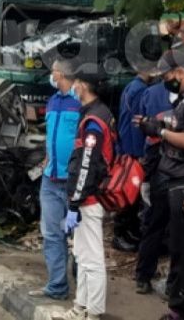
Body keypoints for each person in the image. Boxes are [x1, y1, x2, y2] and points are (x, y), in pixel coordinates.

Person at [136, 49, 184, 320]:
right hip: (176, 177)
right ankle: (180, 306)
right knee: (178, 246)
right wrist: (156, 124)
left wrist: (161, 132)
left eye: (167, 76)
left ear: (179, 71)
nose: (165, 81)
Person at [54, 70, 115, 320]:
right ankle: (80, 308)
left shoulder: (94, 121)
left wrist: (75, 203)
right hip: (84, 198)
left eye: (76, 83)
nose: (74, 87)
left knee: (92, 260)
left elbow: (87, 165)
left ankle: (94, 312)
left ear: (84, 86)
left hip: (89, 199)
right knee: (81, 255)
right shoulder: (93, 114)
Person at [29, 60, 81, 301]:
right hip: (50, 179)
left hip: (73, 181)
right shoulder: (52, 101)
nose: (51, 76)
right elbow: (52, 136)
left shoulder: (79, 101)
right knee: (52, 235)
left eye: (53, 72)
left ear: (60, 74)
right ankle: (57, 286)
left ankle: (85, 292)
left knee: (79, 240)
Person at [134, 69, 175, 294]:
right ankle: (173, 283)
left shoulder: (150, 94)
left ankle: (143, 276)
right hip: (172, 162)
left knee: (154, 221)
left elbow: (140, 125)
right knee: (171, 224)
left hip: (155, 160)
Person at [113, 64, 154, 252]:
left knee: (129, 191)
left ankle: (126, 231)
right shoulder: (141, 91)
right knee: (130, 193)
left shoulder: (131, 87)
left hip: (127, 146)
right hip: (133, 149)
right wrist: (140, 153)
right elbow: (138, 125)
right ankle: (122, 233)